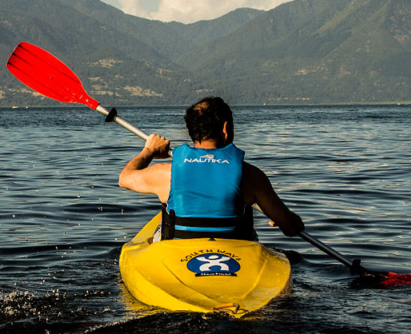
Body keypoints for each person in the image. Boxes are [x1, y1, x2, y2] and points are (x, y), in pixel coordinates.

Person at [118, 96, 304, 240]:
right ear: (226, 128)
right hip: (235, 255)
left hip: (178, 254)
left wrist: (149, 151)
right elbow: (291, 228)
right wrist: (280, 218)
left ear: (191, 131)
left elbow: (124, 178)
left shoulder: (167, 174)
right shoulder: (251, 176)